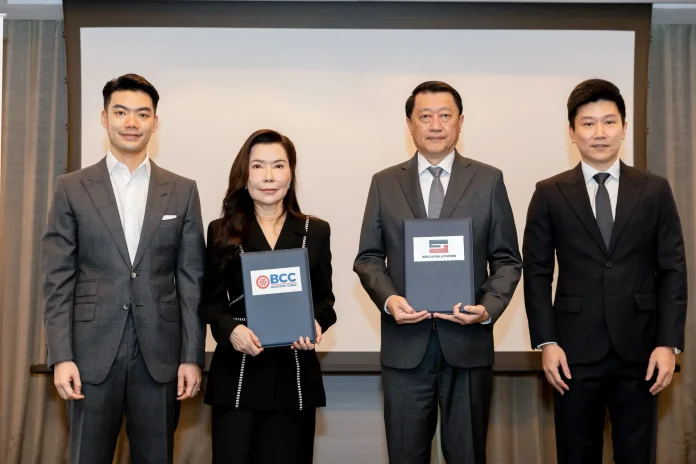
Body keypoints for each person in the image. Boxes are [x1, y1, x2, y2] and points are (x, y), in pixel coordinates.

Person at [353, 81, 522, 464]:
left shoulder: (488, 180)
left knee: (467, 454)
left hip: (468, 345)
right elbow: (368, 257)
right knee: (405, 455)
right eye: (425, 116)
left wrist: (487, 307)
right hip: (405, 348)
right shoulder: (384, 183)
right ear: (409, 124)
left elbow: (508, 260)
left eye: (445, 115)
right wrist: (390, 300)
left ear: (460, 122)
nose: (435, 125)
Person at [41, 73, 206, 464]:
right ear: (104, 118)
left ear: (155, 122)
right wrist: (61, 356)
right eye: (121, 112)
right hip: (89, 357)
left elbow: (191, 280)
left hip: (160, 358)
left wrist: (191, 356)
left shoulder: (182, 190)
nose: (132, 122)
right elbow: (57, 279)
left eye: (142, 114)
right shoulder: (71, 187)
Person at [522, 78, 687, 464]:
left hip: (640, 350)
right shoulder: (549, 193)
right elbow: (537, 272)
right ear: (572, 132)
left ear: (624, 128)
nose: (600, 132)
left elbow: (673, 270)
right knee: (576, 454)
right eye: (588, 123)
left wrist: (668, 343)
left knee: (637, 454)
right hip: (572, 353)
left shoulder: (654, 190)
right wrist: (546, 343)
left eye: (609, 122)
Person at [199, 129, 337, 464]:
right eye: (258, 166)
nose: (269, 176)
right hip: (238, 374)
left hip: (294, 375)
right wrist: (231, 330)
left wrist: (315, 323)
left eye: (278, 165)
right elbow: (211, 304)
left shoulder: (315, 231)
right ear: (244, 174)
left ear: (291, 173)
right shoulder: (221, 230)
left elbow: (325, 302)